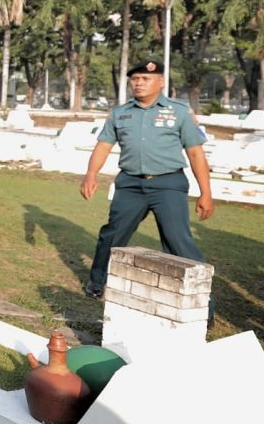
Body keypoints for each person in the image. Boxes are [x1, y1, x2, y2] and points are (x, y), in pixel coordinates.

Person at [80, 58, 214, 299]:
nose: (139, 83)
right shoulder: (120, 113)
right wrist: (90, 175)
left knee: (178, 242)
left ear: (161, 82)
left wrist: (206, 193)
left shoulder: (179, 112)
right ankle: (98, 282)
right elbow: (103, 146)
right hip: (130, 184)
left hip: (168, 184)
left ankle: (200, 300)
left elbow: (195, 153)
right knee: (112, 235)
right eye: (135, 79)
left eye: (145, 78)